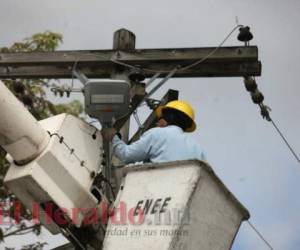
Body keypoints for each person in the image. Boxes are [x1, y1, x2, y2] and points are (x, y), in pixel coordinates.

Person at [102, 100, 206, 164]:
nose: (157, 123)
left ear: (168, 118)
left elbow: (126, 155)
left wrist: (113, 137)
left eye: (159, 119)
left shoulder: (156, 134)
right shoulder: (197, 147)